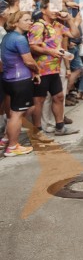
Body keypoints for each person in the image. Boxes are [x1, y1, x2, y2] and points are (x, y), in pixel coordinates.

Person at [28, 0, 80, 138]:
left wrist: (69, 19)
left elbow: (75, 34)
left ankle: (60, 127)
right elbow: (32, 46)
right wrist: (50, 51)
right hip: (41, 69)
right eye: (52, 8)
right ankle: (37, 131)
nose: (56, 10)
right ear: (43, 10)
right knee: (39, 100)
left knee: (58, 96)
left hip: (54, 69)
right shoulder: (39, 25)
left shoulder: (57, 25)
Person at [2, 11, 39, 156]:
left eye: (30, 19)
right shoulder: (20, 39)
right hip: (19, 80)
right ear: (15, 22)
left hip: (8, 79)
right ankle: (12, 147)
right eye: (26, 20)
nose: (30, 22)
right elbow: (29, 61)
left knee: (16, 112)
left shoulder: (7, 36)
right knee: (17, 114)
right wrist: (37, 71)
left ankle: (7, 138)